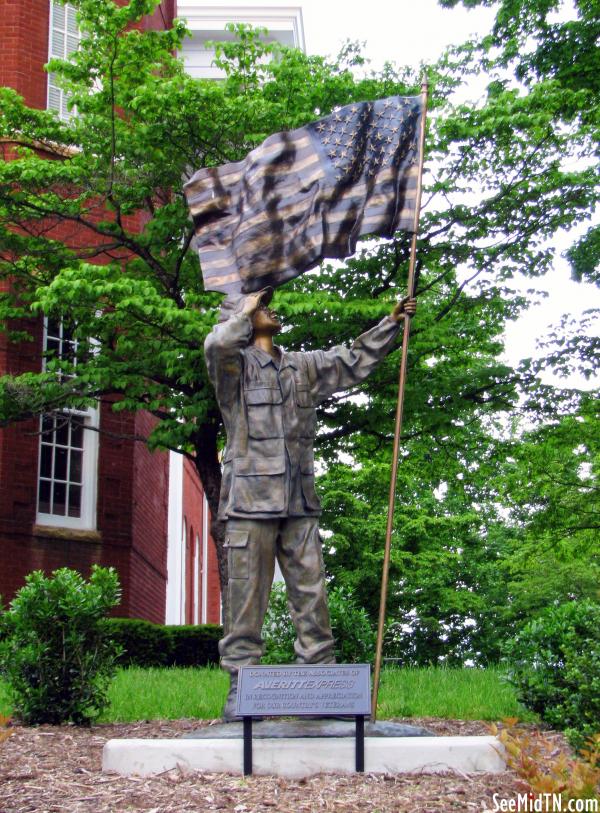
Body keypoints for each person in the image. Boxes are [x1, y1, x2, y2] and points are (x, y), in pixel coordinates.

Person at [204, 288, 417, 720]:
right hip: (250, 503)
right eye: (264, 305)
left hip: (299, 502)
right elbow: (216, 343)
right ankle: (242, 687)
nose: (272, 309)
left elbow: (351, 361)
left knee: (311, 591)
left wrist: (390, 324)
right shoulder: (234, 368)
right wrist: (245, 307)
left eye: (267, 304)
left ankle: (321, 680)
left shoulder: (300, 366)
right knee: (247, 599)